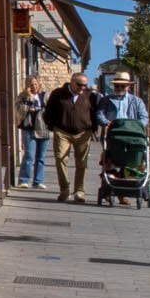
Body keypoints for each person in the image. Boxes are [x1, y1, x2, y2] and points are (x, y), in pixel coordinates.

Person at [46, 70, 99, 202]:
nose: (82, 88)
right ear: (72, 82)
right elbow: (48, 111)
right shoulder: (58, 94)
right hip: (62, 131)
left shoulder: (89, 96)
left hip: (83, 132)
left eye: (85, 85)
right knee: (60, 158)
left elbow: (94, 113)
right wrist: (52, 126)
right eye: (79, 84)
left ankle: (79, 191)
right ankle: (64, 189)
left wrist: (93, 129)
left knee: (82, 162)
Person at [17, 85, 51, 188]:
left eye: (36, 84)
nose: (34, 87)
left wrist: (38, 109)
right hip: (29, 129)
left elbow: (50, 110)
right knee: (29, 155)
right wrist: (29, 100)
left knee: (41, 157)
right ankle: (24, 180)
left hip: (43, 128)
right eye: (31, 84)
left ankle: (38, 181)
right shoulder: (22, 97)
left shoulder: (44, 96)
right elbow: (20, 115)